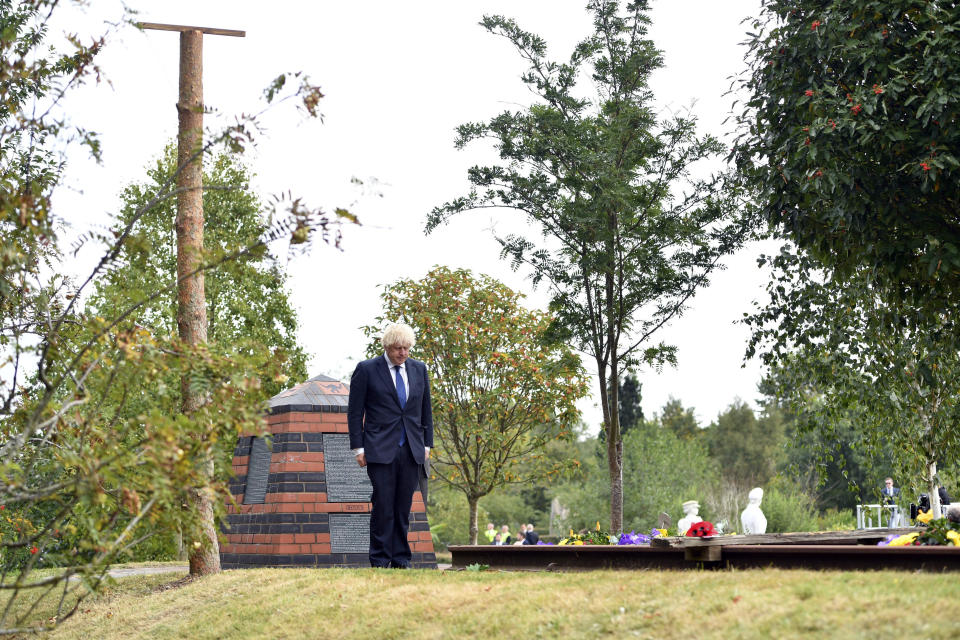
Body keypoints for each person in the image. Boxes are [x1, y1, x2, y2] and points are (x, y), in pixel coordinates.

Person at [348, 322, 434, 569]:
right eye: (398, 348)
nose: (403, 353)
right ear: (387, 346)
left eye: (407, 348)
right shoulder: (366, 370)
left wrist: (427, 443)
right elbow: (355, 412)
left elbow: (425, 409)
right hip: (379, 449)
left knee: (402, 507)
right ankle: (380, 558)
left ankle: (401, 559)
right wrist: (358, 448)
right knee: (383, 504)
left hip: (412, 449)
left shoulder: (419, 369)